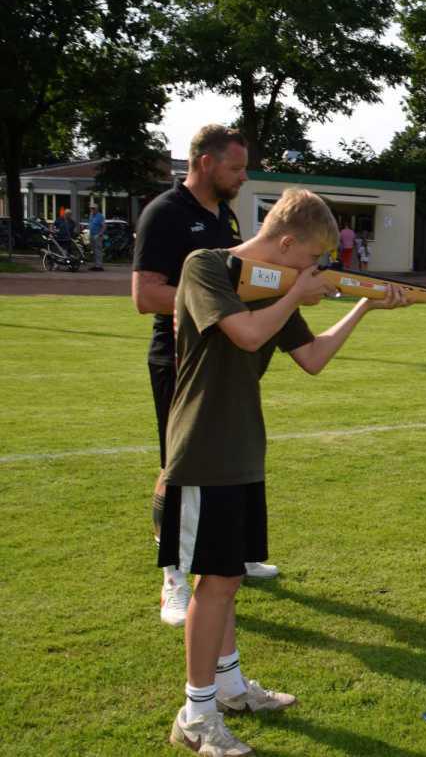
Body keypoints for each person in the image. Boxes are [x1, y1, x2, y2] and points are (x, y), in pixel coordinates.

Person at [159, 187, 410, 755]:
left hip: (243, 450)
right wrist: (296, 291)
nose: (316, 271)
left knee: (228, 579)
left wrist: (364, 304)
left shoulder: (279, 289)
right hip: (203, 449)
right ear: (288, 242)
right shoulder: (207, 267)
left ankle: (229, 687)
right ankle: (196, 715)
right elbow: (245, 334)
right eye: (311, 260)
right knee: (213, 582)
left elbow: (314, 358)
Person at [133, 125, 274, 629]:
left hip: (228, 356)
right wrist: (208, 303)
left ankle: (232, 554)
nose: (242, 177)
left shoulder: (226, 214)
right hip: (179, 359)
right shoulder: (164, 214)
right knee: (179, 465)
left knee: (230, 456)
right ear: (206, 161)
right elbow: (144, 294)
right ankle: (172, 576)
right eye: (236, 168)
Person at [88, 204, 107, 270]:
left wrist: (99, 234)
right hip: (91, 235)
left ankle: (99, 266)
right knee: (93, 251)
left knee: (98, 251)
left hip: (97, 236)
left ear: (97, 209)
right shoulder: (91, 216)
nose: (92, 210)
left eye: (93, 208)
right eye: (91, 208)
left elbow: (104, 226)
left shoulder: (100, 216)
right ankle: (95, 265)